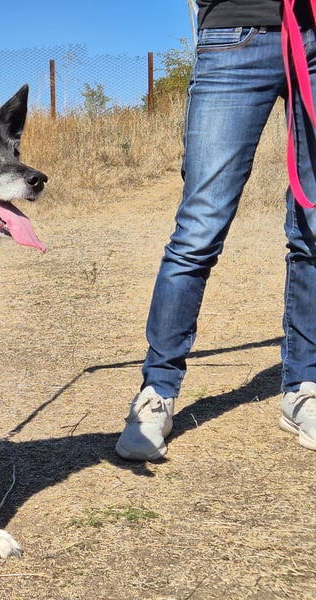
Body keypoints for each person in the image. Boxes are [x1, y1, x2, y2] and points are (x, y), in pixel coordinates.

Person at [115, 0, 316, 461]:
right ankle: (157, 390)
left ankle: (304, 386)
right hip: (234, 35)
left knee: (314, 228)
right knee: (198, 231)